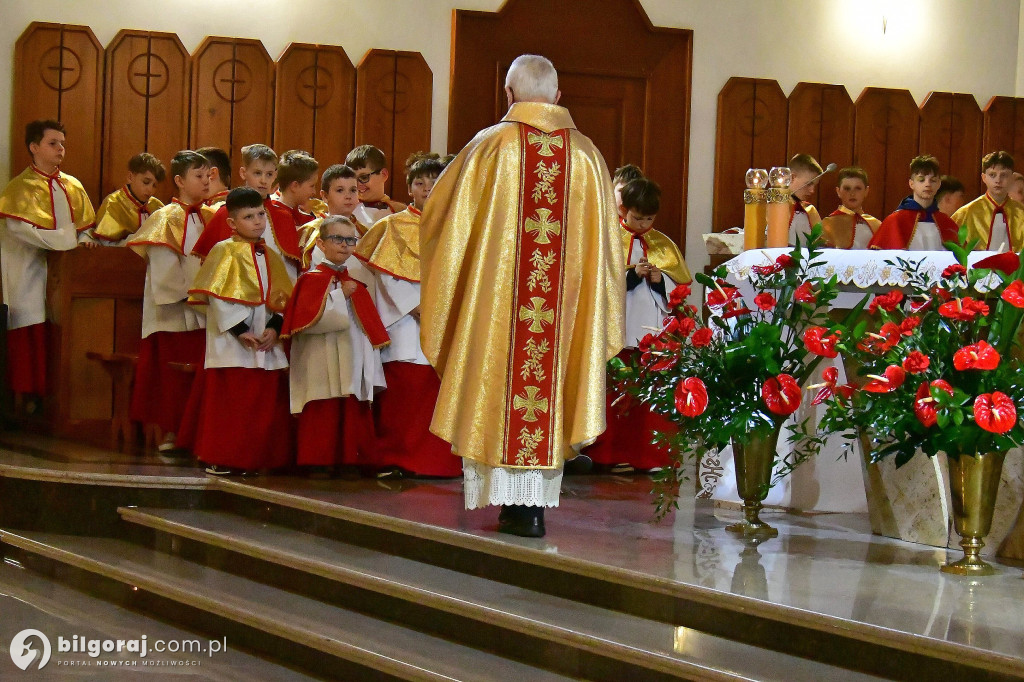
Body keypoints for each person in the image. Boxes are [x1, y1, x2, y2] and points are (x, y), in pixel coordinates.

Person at [420, 54, 624, 537]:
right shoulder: (588, 156)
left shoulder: (491, 147)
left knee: (498, 379)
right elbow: (608, 249)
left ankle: (513, 505)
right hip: (564, 310)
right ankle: (531, 508)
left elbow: (441, 221)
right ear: (557, 96)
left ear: (509, 96)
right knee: (550, 384)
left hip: (500, 308)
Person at [354, 152, 462, 479]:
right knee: (405, 399)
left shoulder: (459, 227)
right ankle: (396, 460)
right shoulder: (392, 227)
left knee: (436, 397)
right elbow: (388, 276)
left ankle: (438, 463)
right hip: (405, 326)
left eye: (435, 181)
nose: (428, 188)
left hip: (447, 324)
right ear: (409, 188)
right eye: (420, 182)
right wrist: (417, 308)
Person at [187, 187, 293, 476]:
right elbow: (216, 296)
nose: (258, 221)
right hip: (233, 343)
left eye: (261, 214)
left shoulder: (270, 254)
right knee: (231, 404)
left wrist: (274, 327)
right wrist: (239, 329)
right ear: (232, 223)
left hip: (264, 342)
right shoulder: (223, 251)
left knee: (260, 405)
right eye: (249, 216)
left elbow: (281, 299)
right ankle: (222, 457)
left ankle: (254, 459)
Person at [587, 177, 689, 474]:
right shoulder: (608, 239)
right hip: (619, 327)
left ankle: (651, 456)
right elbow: (597, 282)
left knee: (650, 395)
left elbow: (680, 287)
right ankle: (610, 454)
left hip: (651, 329)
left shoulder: (663, 244)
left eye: (649, 219)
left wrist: (660, 280)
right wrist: (631, 275)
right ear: (623, 209)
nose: (643, 224)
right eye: (637, 217)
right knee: (618, 392)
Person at [282, 216, 388, 476]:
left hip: (351, 352)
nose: (344, 245)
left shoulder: (356, 281)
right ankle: (318, 461)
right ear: (321, 243)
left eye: (350, 240)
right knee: (323, 403)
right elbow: (308, 323)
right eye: (337, 239)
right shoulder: (311, 280)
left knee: (352, 403)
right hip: (320, 354)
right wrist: (341, 296)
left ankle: (352, 461)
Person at [0, 120, 94, 402]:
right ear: (34, 147)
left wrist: (84, 238)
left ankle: (57, 396)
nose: (60, 149)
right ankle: (27, 398)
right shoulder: (19, 187)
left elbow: (86, 226)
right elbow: (20, 230)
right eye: (53, 143)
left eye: (62, 143)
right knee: (30, 326)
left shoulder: (73, 186)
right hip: (28, 269)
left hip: (67, 275)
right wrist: (66, 241)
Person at [126, 150, 213, 451]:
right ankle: (173, 433)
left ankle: (199, 433)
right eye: (198, 176)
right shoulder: (163, 218)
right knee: (172, 380)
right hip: (174, 312)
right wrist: (197, 293)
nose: (205, 182)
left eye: (208, 176)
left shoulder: (213, 217)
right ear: (179, 180)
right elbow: (164, 274)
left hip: (206, 311)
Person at [191, 144, 303, 276]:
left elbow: (289, 271)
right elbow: (212, 271)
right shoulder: (225, 213)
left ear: (275, 175)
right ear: (243, 173)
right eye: (257, 173)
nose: (263, 180)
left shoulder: (284, 217)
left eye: (269, 174)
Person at [868, 155, 960, 250]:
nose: (927, 184)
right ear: (911, 184)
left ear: (939, 184)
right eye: (921, 180)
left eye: (933, 180)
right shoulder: (895, 221)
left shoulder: (946, 222)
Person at [88, 152, 166, 246]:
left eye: (155, 186)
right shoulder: (113, 203)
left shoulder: (157, 205)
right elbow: (106, 245)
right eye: (146, 182)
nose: (150, 189)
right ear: (130, 177)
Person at [951, 151, 1024, 251]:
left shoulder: (1021, 212)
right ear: (984, 178)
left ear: (1012, 178)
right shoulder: (966, 213)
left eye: (1004, 175)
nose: (998, 180)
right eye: (992, 175)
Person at [299, 164, 365, 270]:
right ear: (325, 196)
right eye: (340, 190)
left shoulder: (365, 232)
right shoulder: (313, 230)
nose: (348, 196)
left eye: (353, 190)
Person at [820, 167, 880, 249]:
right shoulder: (827, 224)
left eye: (858, 188)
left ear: (866, 191)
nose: (852, 194)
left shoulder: (876, 225)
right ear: (838, 192)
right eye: (847, 189)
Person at [346, 145, 406, 226]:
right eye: (353, 178)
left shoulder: (401, 212)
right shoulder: (345, 210)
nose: (357, 184)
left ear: (384, 174)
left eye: (364, 177)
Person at [788, 154, 824, 245]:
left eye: (814, 185)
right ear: (792, 178)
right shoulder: (774, 208)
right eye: (808, 184)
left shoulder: (810, 211)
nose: (812, 191)